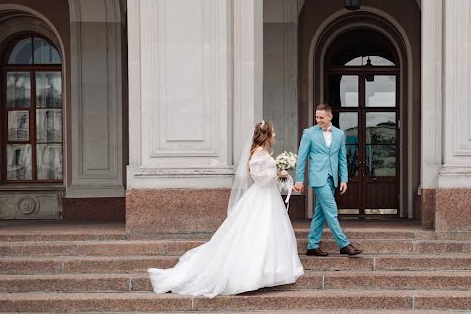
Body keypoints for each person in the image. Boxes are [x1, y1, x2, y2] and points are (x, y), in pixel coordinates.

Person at [148, 121, 304, 296]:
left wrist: (280, 173)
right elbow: (258, 177)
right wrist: (277, 172)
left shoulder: (262, 152)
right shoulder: (259, 153)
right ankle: (258, 272)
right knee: (260, 232)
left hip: (268, 196)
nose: (274, 135)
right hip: (262, 197)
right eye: (272, 132)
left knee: (270, 232)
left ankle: (271, 271)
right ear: (265, 135)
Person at [293, 103, 363, 257]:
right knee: (331, 210)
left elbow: (342, 158)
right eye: (316, 117)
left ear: (330, 116)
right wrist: (299, 180)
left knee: (321, 212)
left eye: (321, 117)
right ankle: (344, 244)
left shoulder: (339, 134)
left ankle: (312, 245)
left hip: (333, 179)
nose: (318, 120)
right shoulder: (309, 133)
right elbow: (302, 158)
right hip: (318, 178)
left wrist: (344, 179)